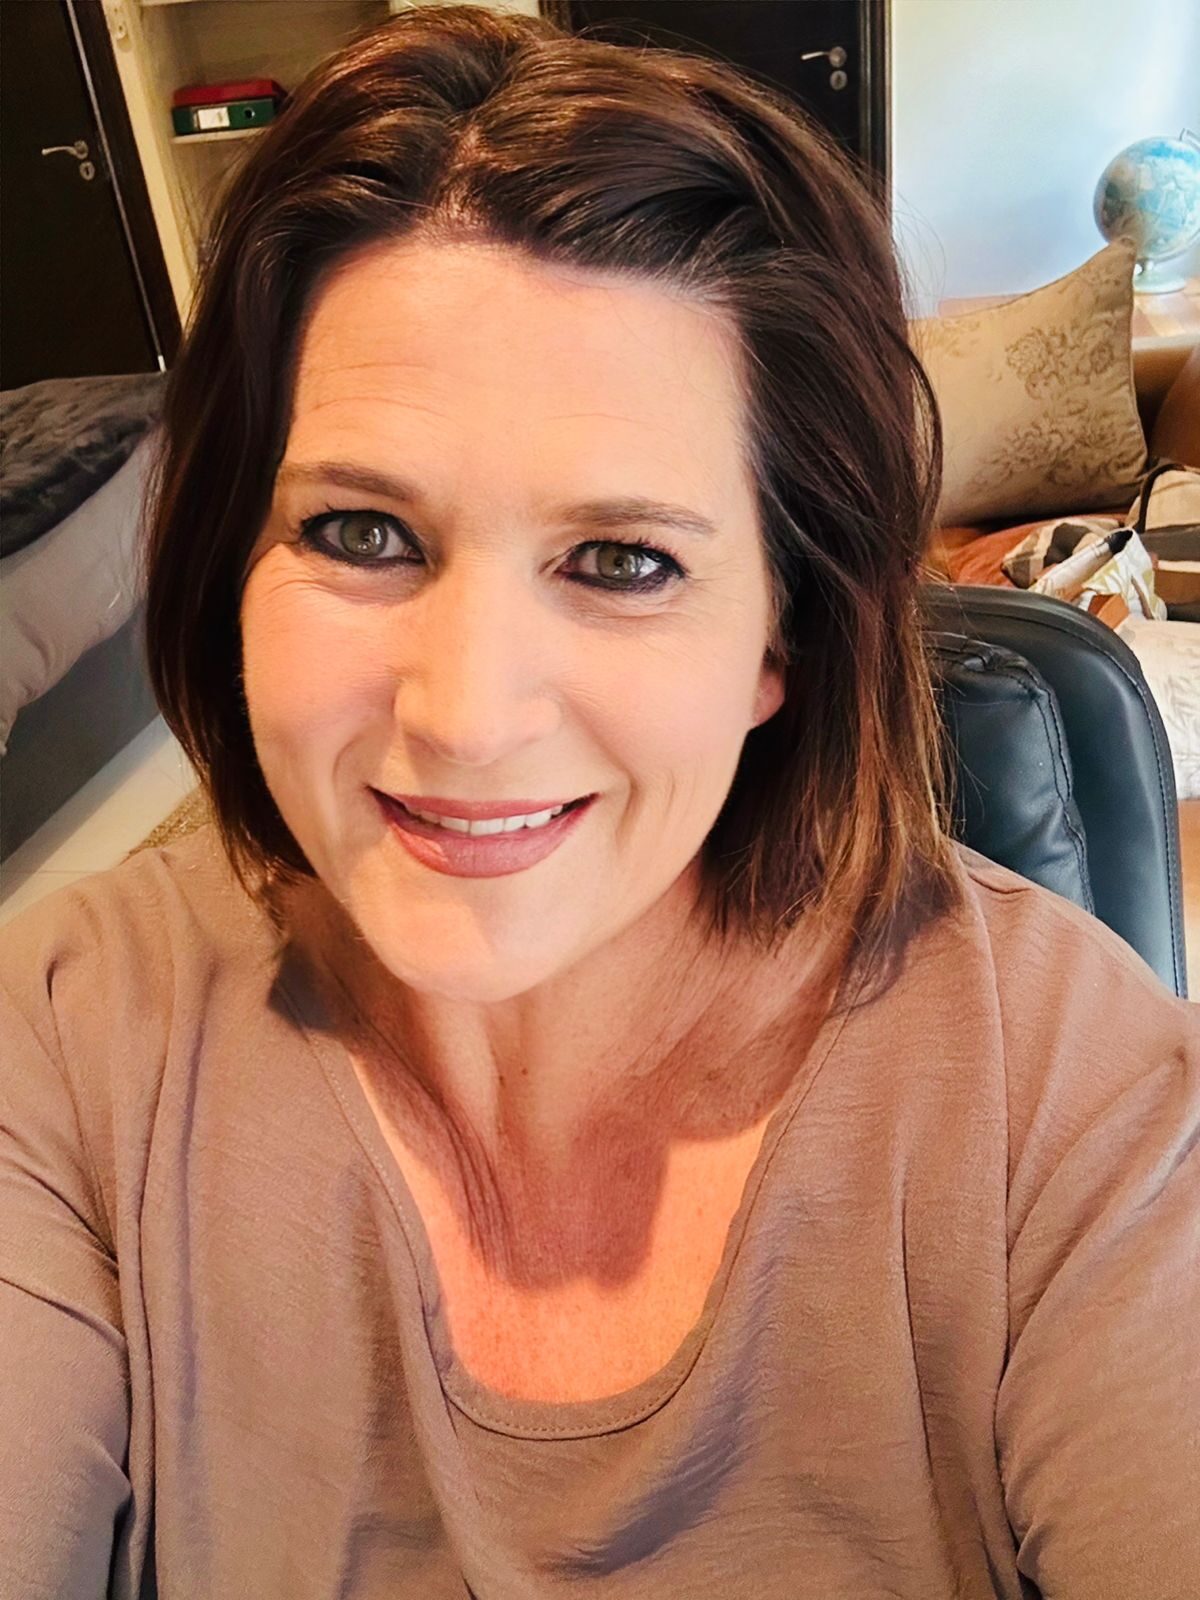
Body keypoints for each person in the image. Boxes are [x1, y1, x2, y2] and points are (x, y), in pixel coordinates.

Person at [1, 7, 1196, 1597]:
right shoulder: (69, 1038)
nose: (464, 718)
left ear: (780, 638)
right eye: (361, 534)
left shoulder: (1072, 1104)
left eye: (622, 561)